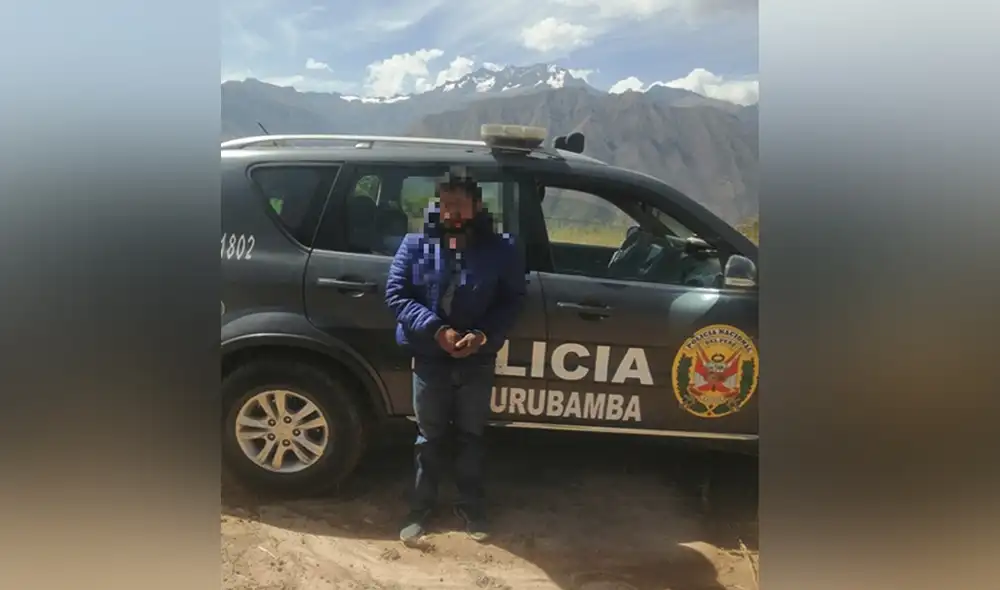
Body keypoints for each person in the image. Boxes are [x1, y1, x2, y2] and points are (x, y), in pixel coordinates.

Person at [384, 167, 526, 545]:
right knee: (428, 436)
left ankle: (471, 504)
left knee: (470, 435)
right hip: (429, 354)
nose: (452, 213)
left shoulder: (501, 249)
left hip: (476, 357)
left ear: (477, 207)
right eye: (446, 205)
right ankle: (421, 507)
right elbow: (396, 294)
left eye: (460, 205)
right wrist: (436, 329)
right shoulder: (415, 244)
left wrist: (482, 335)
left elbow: (513, 300)